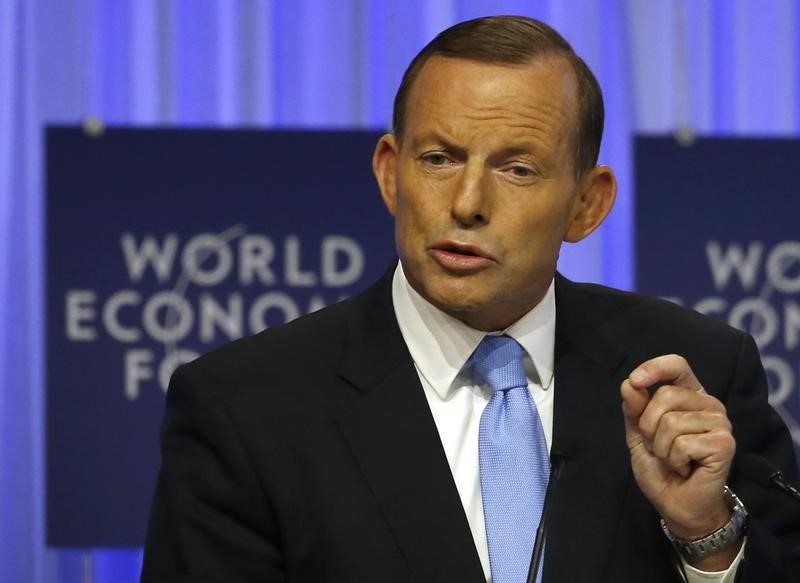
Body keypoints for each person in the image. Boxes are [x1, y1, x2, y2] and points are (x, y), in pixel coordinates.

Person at [141, 15, 800, 583]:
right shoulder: (245, 407)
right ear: (388, 173)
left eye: (517, 168)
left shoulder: (697, 375)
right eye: (438, 159)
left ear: (587, 203)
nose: (467, 203)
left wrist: (706, 534)